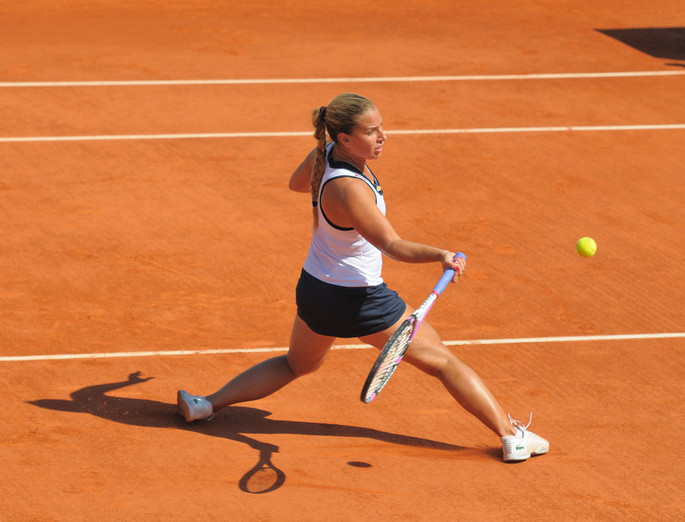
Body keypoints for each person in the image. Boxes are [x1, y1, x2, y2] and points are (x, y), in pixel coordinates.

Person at [177, 93, 549, 462]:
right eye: (371, 131)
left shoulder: (324, 156)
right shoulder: (351, 189)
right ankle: (510, 436)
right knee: (444, 363)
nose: (382, 136)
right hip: (361, 300)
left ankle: (206, 405)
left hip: (315, 291)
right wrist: (440, 255)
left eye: (381, 127)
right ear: (345, 138)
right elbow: (390, 244)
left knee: (296, 365)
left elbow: (296, 183)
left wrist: (318, 162)